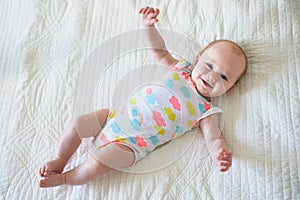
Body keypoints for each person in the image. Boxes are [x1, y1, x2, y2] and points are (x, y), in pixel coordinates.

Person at [39, 7, 247, 188]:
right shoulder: (182, 68)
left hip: (131, 146)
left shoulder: (205, 111)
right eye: (209, 65)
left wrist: (219, 154)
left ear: (230, 87)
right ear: (198, 59)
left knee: (96, 163)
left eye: (223, 76)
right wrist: (149, 28)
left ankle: (65, 179)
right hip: (112, 119)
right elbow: (159, 52)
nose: (212, 76)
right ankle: (60, 159)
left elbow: (213, 138)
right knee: (78, 123)